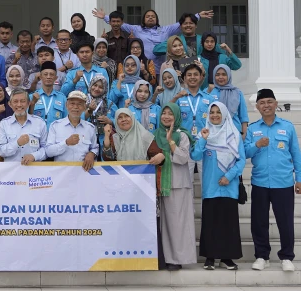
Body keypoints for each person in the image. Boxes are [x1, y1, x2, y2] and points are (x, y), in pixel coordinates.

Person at [100, 108, 166, 268]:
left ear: (132, 118)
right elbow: (108, 158)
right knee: (124, 224)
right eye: (120, 118)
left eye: (126, 117)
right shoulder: (114, 138)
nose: (123, 120)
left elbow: (158, 156)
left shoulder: (144, 135)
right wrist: (107, 137)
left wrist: (161, 157)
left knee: (147, 223)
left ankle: (153, 261)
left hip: (143, 189)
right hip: (122, 190)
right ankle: (125, 260)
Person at [245, 89, 301, 272]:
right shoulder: (253, 128)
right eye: (262, 103)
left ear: (276, 104)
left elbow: (296, 154)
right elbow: (244, 153)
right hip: (260, 182)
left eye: (270, 102)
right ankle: (262, 256)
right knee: (258, 221)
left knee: (285, 221)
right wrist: (256, 144)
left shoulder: (288, 126)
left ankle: (286, 257)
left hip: (283, 182)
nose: (266, 105)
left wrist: (299, 178)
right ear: (257, 106)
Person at [191, 102, 244, 271]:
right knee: (210, 223)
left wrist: (229, 176)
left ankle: (226, 258)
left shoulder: (234, 135)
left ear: (224, 114)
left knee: (228, 223)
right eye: (212, 112)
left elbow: (241, 160)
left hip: (229, 187)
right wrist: (203, 140)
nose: (214, 115)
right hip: (211, 187)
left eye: (218, 112)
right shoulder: (205, 134)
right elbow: (195, 155)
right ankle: (210, 257)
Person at [93, 7, 213, 71]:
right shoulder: (136, 29)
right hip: (141, 68)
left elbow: (182, 23)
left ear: (156, 19)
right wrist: (105, 17)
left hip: (161, 68)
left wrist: (197, 16)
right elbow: (118, 23)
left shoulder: (166, 30)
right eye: (147, 16)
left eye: (153, 16)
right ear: (143, 19)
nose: (150, 18)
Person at [153, 103, 197, 270]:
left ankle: (178, 259)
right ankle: (166, 258)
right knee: (164, 224)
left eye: (170, 114)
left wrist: (171, 140)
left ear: (177, 116)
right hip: (160, 183)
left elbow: (183, 158)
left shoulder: (182, 136)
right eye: (163, 113)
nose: (166, 116)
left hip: (178, 185)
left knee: (178, 224)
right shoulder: (155, 134)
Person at [173, 64, 216, 182]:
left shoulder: (209, 99)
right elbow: (170, 117)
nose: (192, 77)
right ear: (184, 78)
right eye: (189, 75)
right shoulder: (179, 98)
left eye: (196, 74)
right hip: (185, 144)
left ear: (201, 77)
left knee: (206, 181)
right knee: (186, 182)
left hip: (205, 144)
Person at [45, 91, 98, 168]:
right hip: (61, 174)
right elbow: (48, 151)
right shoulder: (55, 126)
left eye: (79, 104)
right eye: (72, 103)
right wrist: (66, 143)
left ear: (84, 108)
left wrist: (92, 154)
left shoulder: (90, 128)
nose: (75, 107)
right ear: (66, 106)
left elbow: (95, 148)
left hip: (83, 173)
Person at [0, 88, 47, 165]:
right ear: (10, 104)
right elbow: (1, 151)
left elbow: (46, 149)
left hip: (34, 172)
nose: (19, 105)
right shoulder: (3, 125)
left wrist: (34, 156)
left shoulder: (39, 123)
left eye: (23, 101)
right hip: (11, 173)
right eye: (15, 101)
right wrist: (17, 143)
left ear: (28, 103)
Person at [152, 12, 222, 58]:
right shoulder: (176, 40)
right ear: (180, 26)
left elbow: (221, 51)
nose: (188, 25)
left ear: (196, 25)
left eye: (191, 23)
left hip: (201, 74)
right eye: (185, 23)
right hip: (181, 74)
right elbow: (156, 50)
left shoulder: (203, 39)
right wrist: (173, 46)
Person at [206, 65, 249, 139]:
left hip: (234, 131)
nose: (220, 77)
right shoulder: (209, 92)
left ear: (229, 75)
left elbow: (243, 116)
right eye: (217, 75)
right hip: (214, 132)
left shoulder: (237, 92)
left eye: (224, 74)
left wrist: (244, 134)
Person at [29, 61, 67, 129]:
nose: (48, 77)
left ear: (56, 78)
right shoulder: (32, 96)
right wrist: (32, 104)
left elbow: (66, 119)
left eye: (51, 74)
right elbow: (27, 120)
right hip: (37, 135)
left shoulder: (62, 98)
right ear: (40, 77)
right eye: (45, 74)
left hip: (56, 136)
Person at [84, 75, 117, 152]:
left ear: (105, 89)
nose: (96, 89)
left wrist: (110, 121)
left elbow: (119, 119)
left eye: (101, 87)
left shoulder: (110, 103)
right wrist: (89, 111)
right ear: (90, 85)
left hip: (105, 139)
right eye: (95, 85)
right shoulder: (82, 101)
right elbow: (76, 119)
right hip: (86, 138)